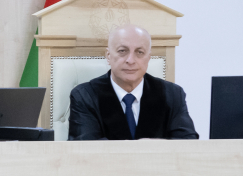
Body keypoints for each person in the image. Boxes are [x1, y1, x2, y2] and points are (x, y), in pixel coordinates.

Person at [68, 24, 198, 140]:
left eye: (139, 52)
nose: (130, 60)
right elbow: (84, 147)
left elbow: (188, 144)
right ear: (108, 55)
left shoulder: (172, 94)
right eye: (122, 51)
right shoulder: (85, 96)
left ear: (148, 58)